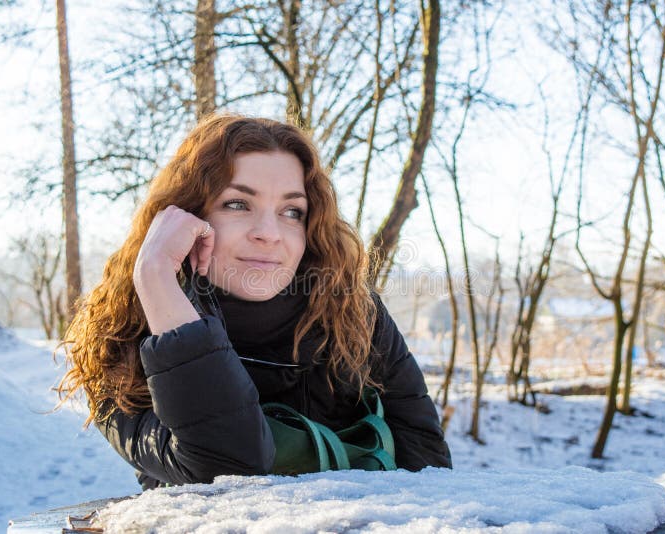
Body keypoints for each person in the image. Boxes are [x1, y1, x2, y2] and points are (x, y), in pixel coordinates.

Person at [57, 114, 452, 490]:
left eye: (292, 211)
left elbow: (428, 469)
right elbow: (228, 469)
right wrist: (156, 275)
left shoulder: (355, 313)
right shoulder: (117, 341)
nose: (269, 233)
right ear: (186, 216)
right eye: (237, 204)